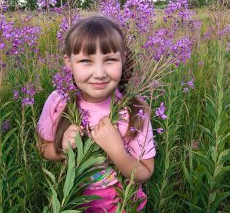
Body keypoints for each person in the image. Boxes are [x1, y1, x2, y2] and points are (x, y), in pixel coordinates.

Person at [37, 15, 156, 212]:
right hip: (72, 203)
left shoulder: (135, 109)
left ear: (123, 58)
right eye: (86, 61)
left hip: (121, 206)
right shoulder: (58, 101)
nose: (99, 73)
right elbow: (42, 148)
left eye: (110, 60)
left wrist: (116, 150)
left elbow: (145, 171)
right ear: (69, 62)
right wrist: (61, 148)